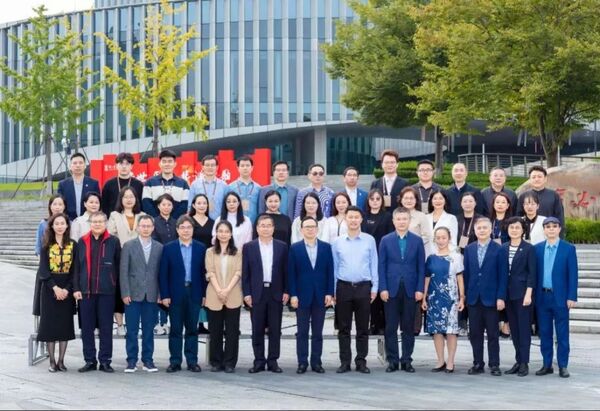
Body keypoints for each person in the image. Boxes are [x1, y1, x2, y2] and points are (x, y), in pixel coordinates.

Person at [378, 207, 426, 373]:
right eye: (398, 219)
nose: (401, 222)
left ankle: (406, 360)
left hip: (411, 290)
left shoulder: (417, 241)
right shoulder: (386, 240)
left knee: (408, 327)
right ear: (393, 221)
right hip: (391, 289)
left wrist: (420, 288)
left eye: (404, 219)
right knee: (391, 327)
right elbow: (381, 265)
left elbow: (421, 266)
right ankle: (392, 360)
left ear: (409, 220)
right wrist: (383, 288)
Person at [73, 211, 121, 373]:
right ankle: (90, 360)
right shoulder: (82, 241)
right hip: (86, 292)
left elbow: (118, 267)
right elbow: (76, 267)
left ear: (106, 223)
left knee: (106, 328)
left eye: (101, 221)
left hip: (107, 292)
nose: (97, 224)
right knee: (87, 329)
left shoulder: (113, 241)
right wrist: (76, 288)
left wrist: (115, 286)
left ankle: (105, 361)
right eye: (94, 222)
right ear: (90, 223)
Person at [332, 206, 378, 374]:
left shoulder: (369, 240)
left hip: (363, 287)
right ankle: (345, 362)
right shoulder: (337, 242)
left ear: (361, 219)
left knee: (362, 328)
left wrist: (375, 287)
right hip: (343, 287)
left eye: (356, 217)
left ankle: (361, 361)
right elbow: (335, 267)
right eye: (350, 217)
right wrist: (334, 290)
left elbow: (374, 264)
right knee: (343, 328)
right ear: (346, 219)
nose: (353, 220)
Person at [159, 215, 207, 373]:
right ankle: (175, 361)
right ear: (177, 230)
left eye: (189, 227)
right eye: (182, 228)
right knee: (176, 329)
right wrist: (165, 295)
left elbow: (204, 273)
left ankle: (192, 361)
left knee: (192, 329)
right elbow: (163, 274)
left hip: (194, 292)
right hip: (175, 293)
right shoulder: (169, 248)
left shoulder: (201, 248)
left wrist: (204, 294)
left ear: (193, 230)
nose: (186, 230)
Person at [242, 214, 289, 373]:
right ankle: (259, 360)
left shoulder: (282, 246)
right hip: (257, 292)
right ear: (257, 228)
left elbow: (286, 271)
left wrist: (286, 290)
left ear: (273, 228)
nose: (266, 229)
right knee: (257, 329)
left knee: (275, 329)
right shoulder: (249, 247)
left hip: (276, 292)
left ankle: (273, 360)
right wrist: (247, 293)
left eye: (269, 225)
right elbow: (246, 272)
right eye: (262, 226)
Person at [288, 216, 335, 374]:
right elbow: (291, 274)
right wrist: (293, 295)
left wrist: (330, 292)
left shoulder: (326, 248)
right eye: (306, 227)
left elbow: (330, 271)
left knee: (317, 332)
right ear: (301, 230)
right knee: (302, 331)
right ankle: (302, 362)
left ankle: (316, 362)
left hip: (321, 295)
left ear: (317, 229)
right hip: (302, 295)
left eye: (312, 227)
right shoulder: (295, 248)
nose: (310, 229)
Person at [463, 217, 508, 377]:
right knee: (475, 333)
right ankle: (478, 363)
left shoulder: (499, 249)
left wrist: (501, 297)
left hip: (492, 298)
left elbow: (503, 275)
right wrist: (465, 296)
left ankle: (494, 364)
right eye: (479, 228)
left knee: (493, 334)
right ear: (475, 231)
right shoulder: (469, 249)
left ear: (490, 230)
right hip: (474, 298)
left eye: (485, 228)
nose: (482, 230)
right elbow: (467, 274)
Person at [534, 217, 578, 379]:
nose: (551, 229)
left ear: (559, 229)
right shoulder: (537, 249)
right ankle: (547, 364)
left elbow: (573, 274)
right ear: (544, 230)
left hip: (560, 297)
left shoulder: (568, 249)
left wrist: (571, 296)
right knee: (545, 332)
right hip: (542, 296)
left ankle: (563, 365)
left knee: (562, 333)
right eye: (548, 226)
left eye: (554, 226)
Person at [120, 215, 163, 373]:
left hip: (151, 294)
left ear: (153, 228)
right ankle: (131, 361)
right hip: (133, 293)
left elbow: (161, 273)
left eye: (148, 226)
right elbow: (123, 271)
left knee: (148, 330)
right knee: (131, 330)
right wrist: (125, 292)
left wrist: (160, 293)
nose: (145, 229)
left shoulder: (159, 247)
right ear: (138, 228)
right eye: (143, 226)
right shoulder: (128, 246)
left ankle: (148, 360)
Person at [36, 213, 77, 373]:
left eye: (62, 223)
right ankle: (52, 361)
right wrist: (55, 288)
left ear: (67, 226)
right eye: (57, 224)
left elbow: (75, 270)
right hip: (49, 289)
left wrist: (66, 289)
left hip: (67, 288)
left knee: (64, 325)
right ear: (52, 226)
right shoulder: (46, 246)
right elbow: (43, 270)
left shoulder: (73, 245)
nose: (60, 226)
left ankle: (61, 361)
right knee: (50, 325)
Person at [422, 227, 465, 373]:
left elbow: (460, 279)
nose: (441, 241)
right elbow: (427, 279)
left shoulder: (456, 257)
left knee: (451, 331)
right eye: (438, 238)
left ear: (449, 238)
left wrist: (462, 298)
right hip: (434, 298)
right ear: (434, 239)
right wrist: (424, 298)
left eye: (444, 237)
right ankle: (440, 360)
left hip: (451, 298)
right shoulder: (431, 258)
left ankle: (451, 361)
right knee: (437, 331)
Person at [204, 220, 243, 373]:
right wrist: (220, 290)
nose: (223, 234)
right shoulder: (210, 252)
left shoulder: (237, 252)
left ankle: (230, 362)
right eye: (220, 231)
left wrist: (226, 290)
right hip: (214, 294)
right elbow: (210, 272)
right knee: (215, 330)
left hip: (233, 294)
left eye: (226, 231)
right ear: (216, 233)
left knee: (232, 331)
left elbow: (238, 272)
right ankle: (216, 361)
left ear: (231, 234)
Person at [500, 217, 536, 377]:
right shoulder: (503, 248)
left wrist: (528, 294)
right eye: (511, 227)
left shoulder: (529, 249)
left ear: (523, 230)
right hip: (508, 295)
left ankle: (524, 363)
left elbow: (532, 274)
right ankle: (518, 360)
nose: (514, 230)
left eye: (517, 227)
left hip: (523, 295)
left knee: (523, 330)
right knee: (514, 329)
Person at [108, 186, 145, 336]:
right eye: (126, 197)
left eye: (131, 196)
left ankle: (133, 323)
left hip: (139, 257)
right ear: (121, 199)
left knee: (136, 289)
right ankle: (120, 324)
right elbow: (110, 234)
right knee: (119, 289)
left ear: (136, 199)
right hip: (120, 256)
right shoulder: (115, 215)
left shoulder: (142, 215)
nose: (129, 199)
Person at [361, 189, 394, 336]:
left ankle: (382, 324)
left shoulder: (387, 217)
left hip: (382, 257)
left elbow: (389, 238)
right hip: (366, 258)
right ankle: (373, 323)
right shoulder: (363, 216)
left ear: (382, 201)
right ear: (368, 201)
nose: (375, 201)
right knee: (370, 291)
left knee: (382, 290)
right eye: (372, 199)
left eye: (378, 199)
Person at [33, 195, 67, 321]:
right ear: (50, 206)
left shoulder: (68, 223)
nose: (57, 207)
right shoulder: (43, 224)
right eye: (54, 204)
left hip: (64, 271)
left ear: (64, 207)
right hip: (46, 270)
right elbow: (38, 247)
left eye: (60, 204)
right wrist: (43, 268)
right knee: (43, 306)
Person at [189, 193, 214, 335]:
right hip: (192, 259)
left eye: (204, 203)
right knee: (196, 290)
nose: (202, 206)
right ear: (193, 205)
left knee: (207, 290)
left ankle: (207, 322)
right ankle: (196, 322)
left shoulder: (213, 222)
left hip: (209, 260)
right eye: (198, 203)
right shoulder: (189, 221)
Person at [142, 149, 190, 219]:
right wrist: (158, 220)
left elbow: (184, 205)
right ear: (159, 164)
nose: (167, 164)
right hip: (155, 223)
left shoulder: (183, 183)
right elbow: (146, 204)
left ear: (175, 164)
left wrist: (172, 220)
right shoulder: (150, 182)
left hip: (176, 223)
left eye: (170, 161)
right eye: (164, 161)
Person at [58, 152, 101, 221]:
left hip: (89, 221)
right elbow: (60, 204)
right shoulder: (63, 184)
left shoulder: (93, 183)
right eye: (75, 163)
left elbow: (98, 203)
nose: (78, 165)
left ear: (85, 166)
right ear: (70, 166)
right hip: (68, 221)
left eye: (81, 163)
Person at [101, 152, 144, 217]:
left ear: (131, 166)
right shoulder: (108, 184)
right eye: (121, 163)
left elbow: (141, 205)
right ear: (116, 166)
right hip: (113, 219)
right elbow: (104, 206)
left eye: (127, 164)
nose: (124, 166)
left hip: (134, 219)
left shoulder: (139, 185)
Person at [188, 154, 228, 220]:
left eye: (212, 165)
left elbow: (227, 206)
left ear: (217, 167)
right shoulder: (195, 185)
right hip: (199, 222)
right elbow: (190, 206)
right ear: (202, 167)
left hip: (219, 222)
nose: (210, 167)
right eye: (207, 165)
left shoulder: (224, 185)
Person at [399, 186, 433, 256]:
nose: (409, 201)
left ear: (416, 200)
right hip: (398, 251)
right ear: (401, 200)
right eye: (406, 198)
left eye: (411, 198)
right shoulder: (396, 215)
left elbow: (426, 236)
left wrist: (413, 244)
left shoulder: (421, 216)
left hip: (416, 252)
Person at [228, 155, 262, 224]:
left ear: (252, 168)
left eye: (247, 165)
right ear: (238, 168)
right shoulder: (230, 187)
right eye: (242, 166)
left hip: (253, 224)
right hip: (235, 224)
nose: (245, 168)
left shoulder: (258, 188)